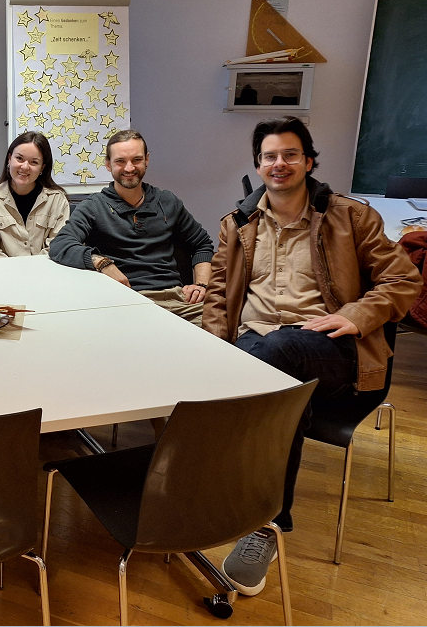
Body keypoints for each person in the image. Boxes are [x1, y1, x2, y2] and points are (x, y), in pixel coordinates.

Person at [203, 116, 421, 597]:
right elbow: (218, 295)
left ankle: (257, 518)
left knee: (278, 352)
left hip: (331, 348)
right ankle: (262, 518)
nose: (279, 163)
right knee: (276, 376)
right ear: (258, 164)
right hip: (253, 347)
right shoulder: (237, 224)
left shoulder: (351, 217)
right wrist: (213, 349)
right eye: (270, 156)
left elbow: (404, 280)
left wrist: (358, 315)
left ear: (309, 161)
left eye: (290, 154)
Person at [49, 129, 214, 326]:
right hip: (125, 302)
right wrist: (102, 263)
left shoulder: (167, 201)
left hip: (178, 301)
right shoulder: (93, 206)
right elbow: (61, 244)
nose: (129, 168)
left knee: (223, 330)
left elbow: (202, 244)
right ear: (108, 164)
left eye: (136, 160)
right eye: (120, 161)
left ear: (147, 160)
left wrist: (202, 285)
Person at [0, 131, 70, 258]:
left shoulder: (57, 200)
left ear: (42, 168)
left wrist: (32, 269)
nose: (25, 167)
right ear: (10, 159)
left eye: (34, 162)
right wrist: (15, 269)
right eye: (19, 158)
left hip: (45, 269)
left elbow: (57, 247)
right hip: (4, 270)